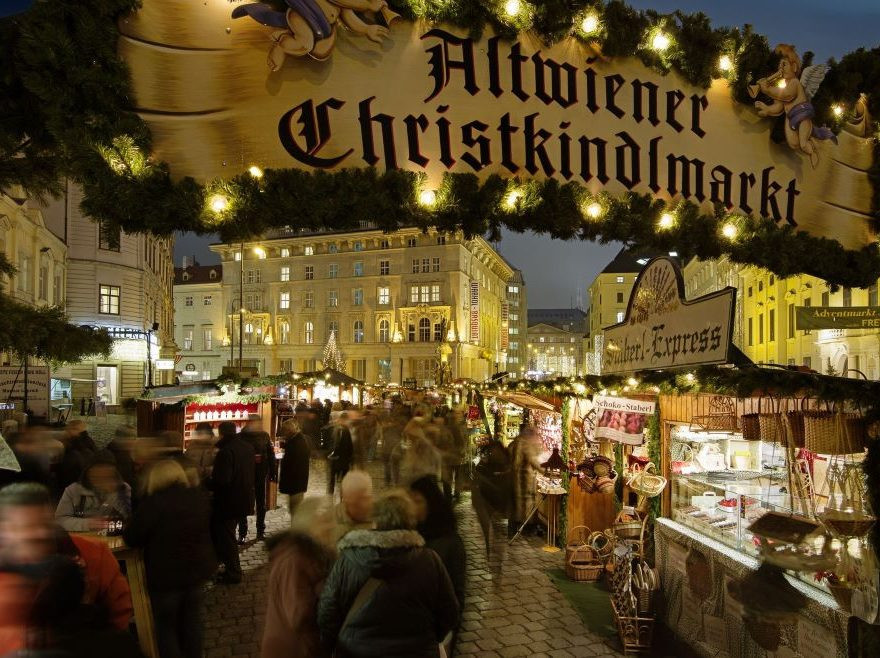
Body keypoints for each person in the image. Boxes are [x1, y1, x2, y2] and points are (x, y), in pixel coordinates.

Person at [317, 489, 460, 658]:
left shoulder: (348, 560)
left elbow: (327, 613)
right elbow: (450, 612)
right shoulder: (430, 561)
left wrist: (334, 645)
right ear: (410, 521)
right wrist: (427, 638)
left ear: (376, 521)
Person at [0, 483, 134, 654]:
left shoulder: (92, 554)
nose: (39, 533)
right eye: (27, 526)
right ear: (6, 529)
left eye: (42, 523)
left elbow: (119, 609)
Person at [124, 459, 217, 658]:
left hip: (166, 576)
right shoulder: (197, 497)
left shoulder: (154, 503)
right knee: (192, 623)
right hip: (196, 572)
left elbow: (133, 537)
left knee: (166, 628)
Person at [262, 497, 336, 658]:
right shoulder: (293, 560)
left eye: (331, 521)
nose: (330, 527)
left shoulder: (318, 554)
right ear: (307, 527)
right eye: (323, 522)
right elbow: (299, 615)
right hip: (290, 650)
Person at [208, 421, 255, 584]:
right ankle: (229, 568)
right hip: (244, 497)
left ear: (221, 434)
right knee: (228, 536)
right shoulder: (246, 447)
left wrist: (206, 481)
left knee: (227, 538)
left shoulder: (225, 451)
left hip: (228, 501)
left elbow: (222, 480)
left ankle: (233, 572)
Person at [54, 453, 132, 532]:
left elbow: (128, 519)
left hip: (113, 539)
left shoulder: (123, 489)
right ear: (88, 471)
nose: (101, 476)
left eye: (107, 474)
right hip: (81, 539)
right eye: (98, 471)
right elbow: (60, 520)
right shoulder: (73, 490)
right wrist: (88, 524)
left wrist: (113, 494)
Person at [238, 419, 277, 542]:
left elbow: (271, 454)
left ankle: (260, 531)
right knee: (244, 503)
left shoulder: (264, 435)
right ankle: (242, 533)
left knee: (261, 503)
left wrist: (273, 471)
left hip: (261, 473)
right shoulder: (241, 436)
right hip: (245, 474)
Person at [277, 419, 311, 520]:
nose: (284, 433)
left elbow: (295, 464)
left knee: (296, 510)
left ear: (290, 431)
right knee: (294, 509)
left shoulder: (297, 443)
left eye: (285, 431)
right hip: (296, 483)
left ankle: (296, 531)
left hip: (296, 483)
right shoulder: (296, 441)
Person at [55, 420, 98, 495]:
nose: (68, 431)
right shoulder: (86, 441)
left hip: (75, 484)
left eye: (72, 429)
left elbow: (67, 467)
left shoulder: (76, 444)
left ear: (78, 430)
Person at [333, 470, 373, 544]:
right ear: (345, 500)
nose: (364, 505)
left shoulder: (381, 519)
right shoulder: (331, 525)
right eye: (357, 502)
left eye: (366, 498)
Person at [326, 413, 353, 495]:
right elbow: (338, 444)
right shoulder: (342, 429)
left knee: (332, 477)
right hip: (340, 457)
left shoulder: (337, 428)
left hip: (338, 457)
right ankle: (340, 494)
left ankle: (331, 494)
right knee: (340, 477)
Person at [105, 425, 137, 491]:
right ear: (125, 440)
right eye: (133, 439)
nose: (135, 442)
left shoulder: (110, 450)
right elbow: (126, 482)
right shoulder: (122, 457)